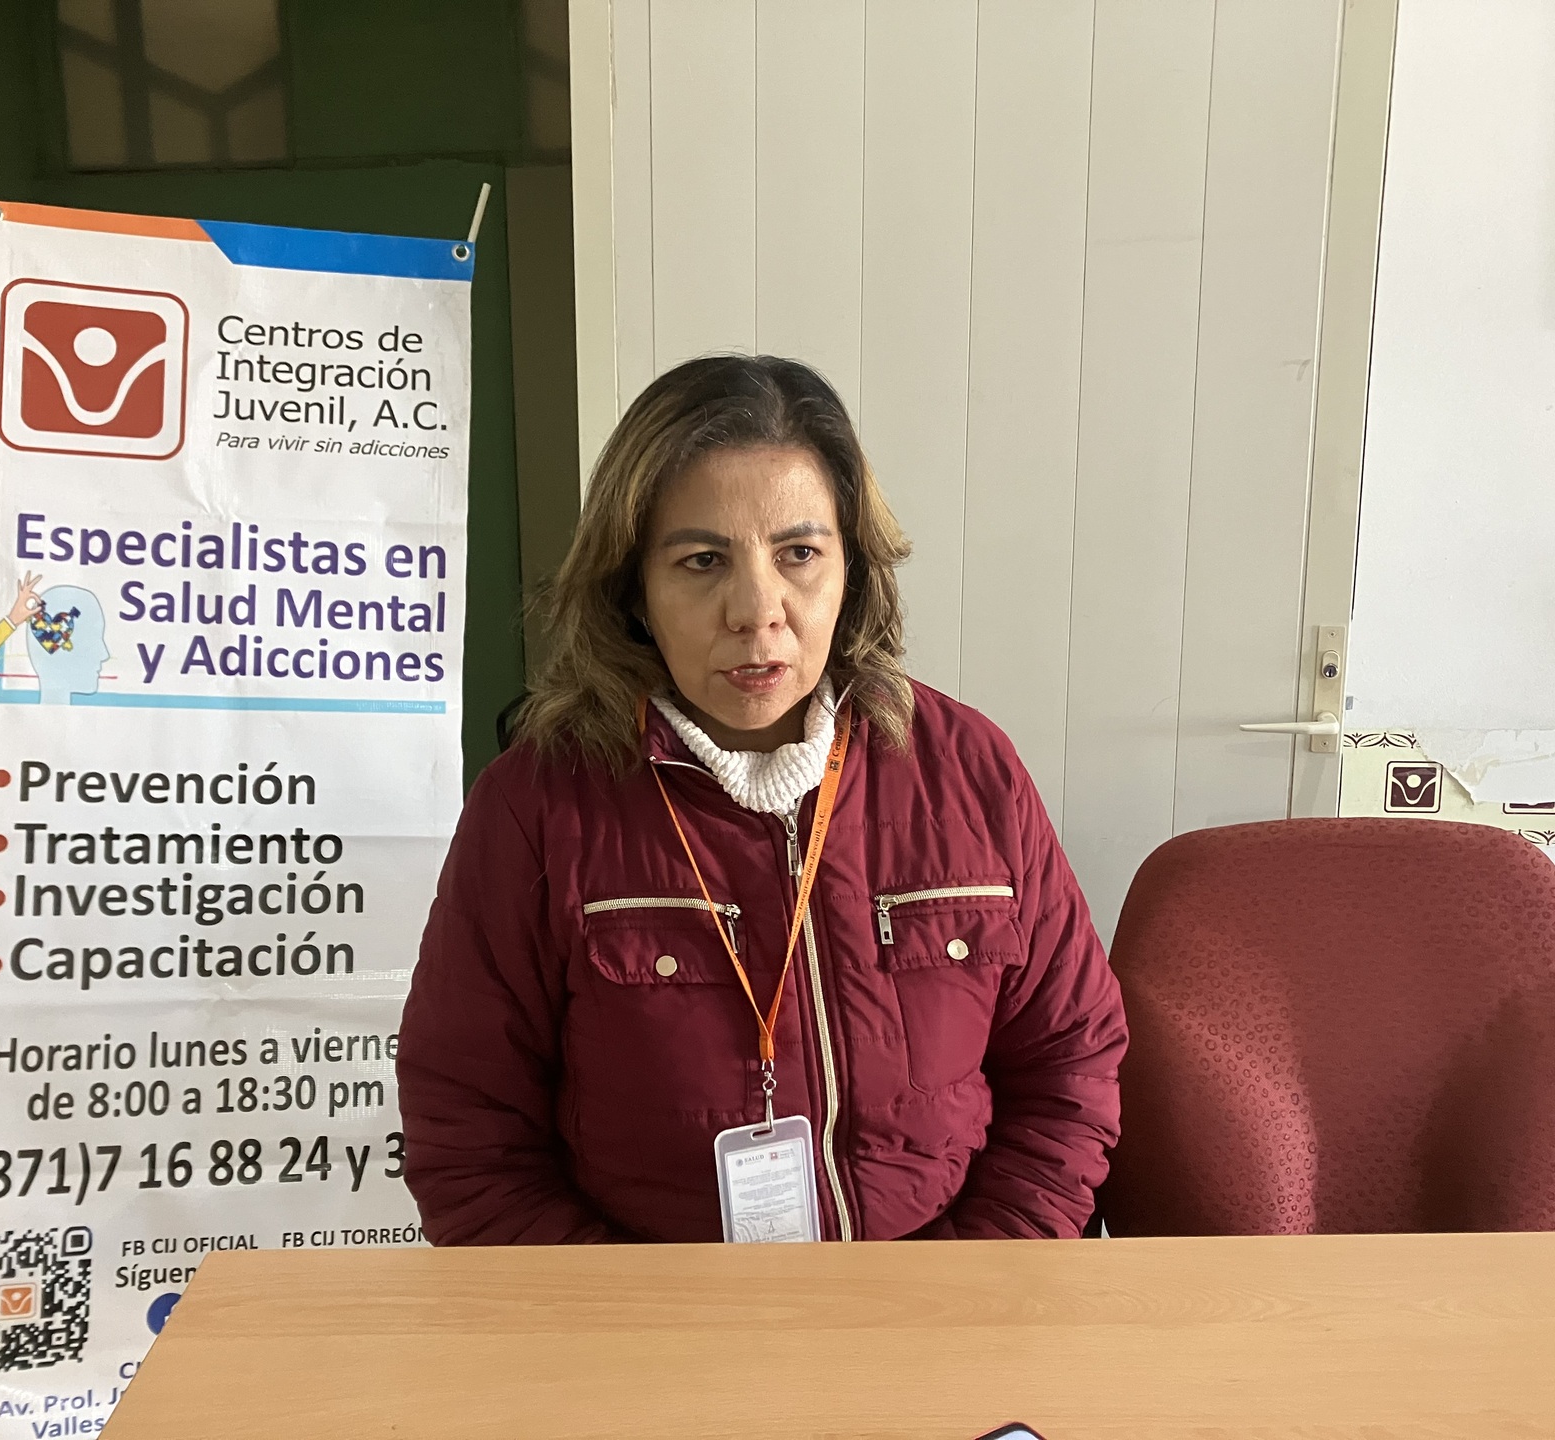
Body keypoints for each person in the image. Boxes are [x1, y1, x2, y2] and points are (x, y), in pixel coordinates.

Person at [396, 355, 1126, 1243]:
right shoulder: (537, 806)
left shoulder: (970, 770)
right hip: (649, 1313)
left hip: (949, 1297)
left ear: (854, 569)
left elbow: (1069, 1068)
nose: (756, 609)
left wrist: (972, 1287)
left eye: (799, 554)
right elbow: (469, 1136)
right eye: (703, 561)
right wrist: (634, 1318)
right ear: (634, 590)